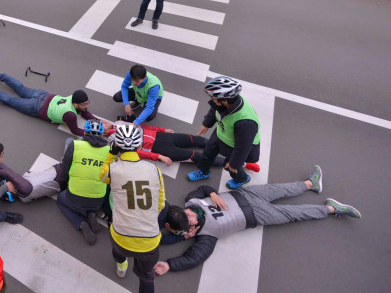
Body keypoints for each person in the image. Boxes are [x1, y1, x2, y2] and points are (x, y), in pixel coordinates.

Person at [155, 165, 361, 276]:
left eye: (188, 214)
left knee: (282, 190)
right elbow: (194, 257)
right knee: (294, 213)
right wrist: (170, 265)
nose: (191, 215)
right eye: (189, 222)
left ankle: (310, 184)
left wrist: (213, 193)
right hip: (255, 214)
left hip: (247, 196)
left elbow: (202, 190)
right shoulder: (204, 231)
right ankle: (331, 208)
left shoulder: (195, 207)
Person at [99, 123, 164, 293]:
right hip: (149, 239)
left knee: (118, 250)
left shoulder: (112, 170)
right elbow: (160, 203)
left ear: (117, 145)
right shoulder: (154, 170)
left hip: (122, 235)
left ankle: (121, 265)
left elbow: (102, 174)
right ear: (140, 145)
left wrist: (111, 154)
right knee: (146, 277)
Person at [0, 69, 107, 137]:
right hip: (37, 108)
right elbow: (75, 131)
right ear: (76, 104)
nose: (87, 106)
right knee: (11, 101)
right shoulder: (70, 115)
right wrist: (94, 133)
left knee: (21, 88)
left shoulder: (73, 98)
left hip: (44, 96)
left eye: (87, 103)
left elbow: (85, 113)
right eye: (84, 104)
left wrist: (98, 121)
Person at [187, 76, 260, 190]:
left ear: (224, 100)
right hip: (223, 132)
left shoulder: (246, 122)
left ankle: (241, 178)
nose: (211, 100)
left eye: (213, 97)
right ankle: (204, 171)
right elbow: (214, 109)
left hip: (235, 144)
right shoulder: (224, 103)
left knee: (229, 166)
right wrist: (207, 124)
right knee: (208, 152)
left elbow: (243, 147)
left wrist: (234, 163)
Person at [104, 121, 252, 170]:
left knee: (196, 140)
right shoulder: (113, 141)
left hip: (162, 136)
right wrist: (159, 156)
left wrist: (162, 130)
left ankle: (235, 153)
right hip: (159, 148)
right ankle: (239, 164)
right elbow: (138, 153)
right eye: (101, 125)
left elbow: (143, 127)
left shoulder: (119, 123)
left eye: (102, 121)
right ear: (102, 132)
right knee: (197, 157)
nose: (104, 122)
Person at [57, 120, 110, 245]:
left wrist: (66, 184)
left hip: (74, 198)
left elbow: (65, 170)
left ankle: (81, 223)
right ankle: (91, 212)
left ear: (85, 133)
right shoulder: (109, 151)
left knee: (61, 199)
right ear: (102, 135)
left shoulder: (75, 145)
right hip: (98, 201)